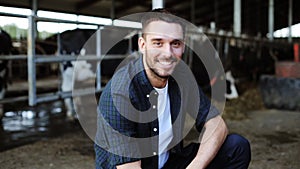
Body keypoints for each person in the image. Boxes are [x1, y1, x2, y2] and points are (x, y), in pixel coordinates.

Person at [94, 8, 251, 169]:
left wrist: (195, 166)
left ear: (183, 46)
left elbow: (216, 123)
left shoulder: (181, 74)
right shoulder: (120, 91)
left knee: (236, 147)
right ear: (142, 45)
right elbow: (129, 168)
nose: (167, 53)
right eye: (158, 43)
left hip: (167, 163)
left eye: (175, 43)